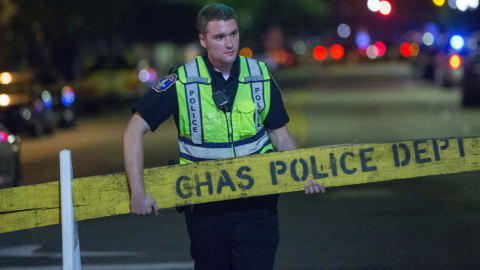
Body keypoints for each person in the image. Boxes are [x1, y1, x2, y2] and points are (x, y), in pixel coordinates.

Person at [123, 3, 325, 269]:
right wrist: (138, 193)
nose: (229, 43)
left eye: (233, 34)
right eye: (219, 37)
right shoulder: (182, 80)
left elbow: (280, 136)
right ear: (203, 40)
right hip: (207, 210)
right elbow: (133, 131)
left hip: (258, 205)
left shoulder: (260, 76)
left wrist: (303, 171)